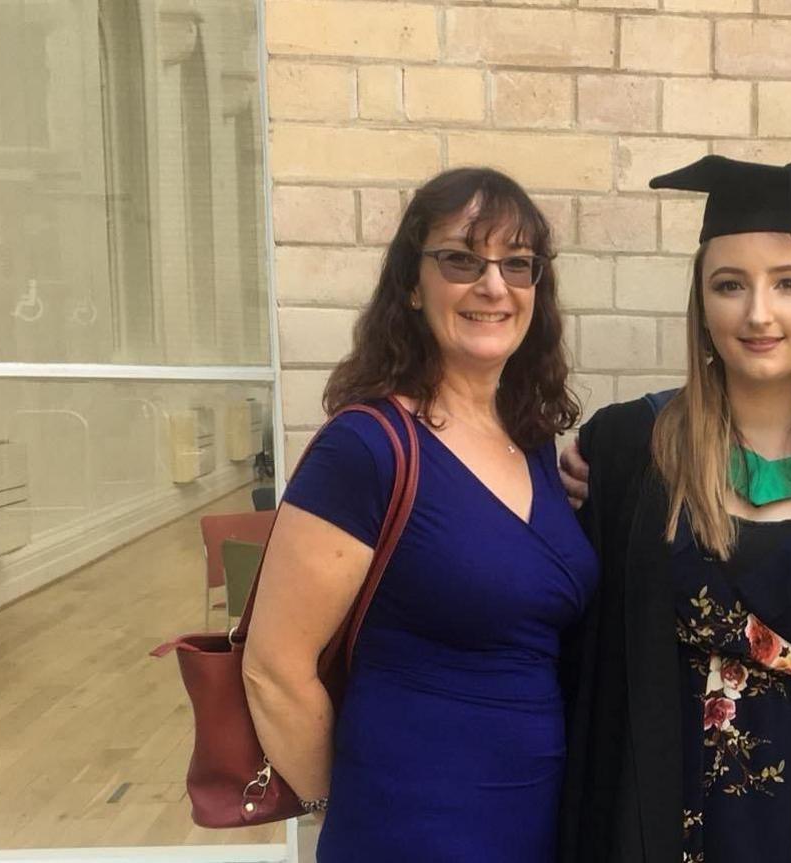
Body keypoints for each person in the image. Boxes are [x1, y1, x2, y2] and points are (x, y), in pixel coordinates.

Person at [558, 155, 791, 863]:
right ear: (701, 302)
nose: (758, 312)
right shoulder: (631, 451)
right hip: (654, 830)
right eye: (729, 285)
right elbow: (584, 660)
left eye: (788, 283)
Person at [242, 167, 597, 862]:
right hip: (408, 824)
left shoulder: (531, 443)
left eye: (517, 264)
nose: (492, 285)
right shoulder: (367, 447)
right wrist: (337, 808)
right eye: (461, 258)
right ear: (412, 282)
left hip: (534, 813)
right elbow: (273, 667)